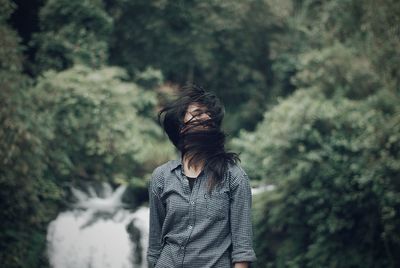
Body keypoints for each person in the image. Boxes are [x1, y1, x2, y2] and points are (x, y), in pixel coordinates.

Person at [146, 84, 257, 268]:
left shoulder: (234, 176)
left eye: (209, 114)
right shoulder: (161, 177)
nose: (206, 117)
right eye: (197, 113)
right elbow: (155, 247)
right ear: (180, 126)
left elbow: (242, 250)